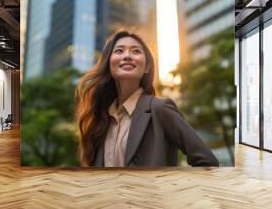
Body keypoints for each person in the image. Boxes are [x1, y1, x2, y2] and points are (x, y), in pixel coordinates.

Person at [75, 30, 219, 167]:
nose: (127, 56)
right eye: (119, 51)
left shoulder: (159, 109)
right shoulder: (101, 121)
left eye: (136, 51)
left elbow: (207, 161)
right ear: (108, 64)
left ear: (147, 67)